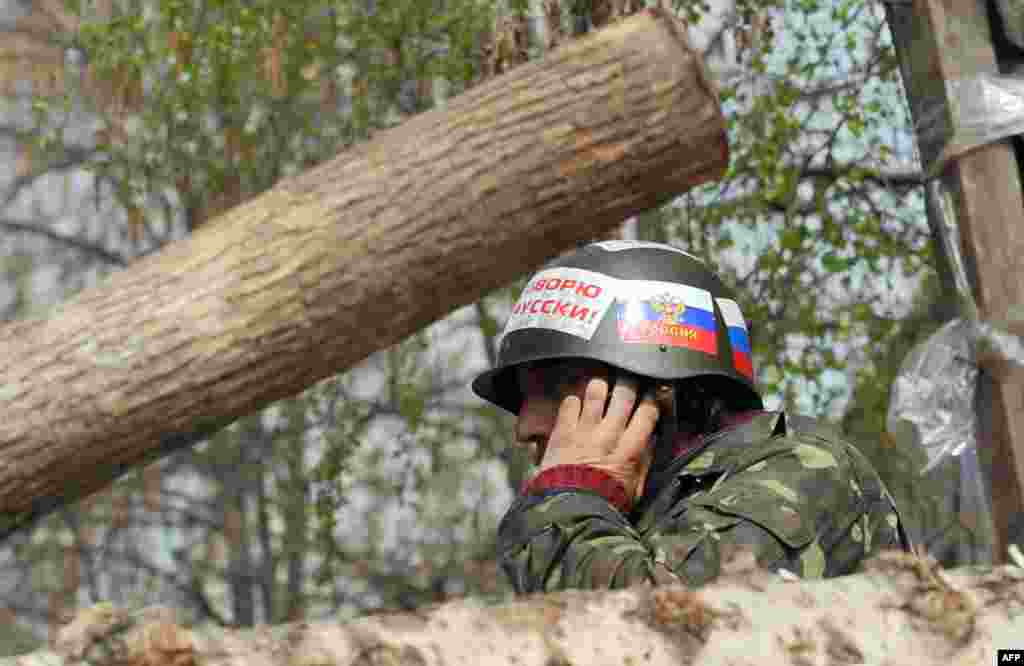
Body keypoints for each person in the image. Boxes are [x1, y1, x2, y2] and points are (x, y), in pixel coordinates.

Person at [471, 240, 913, 593]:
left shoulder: (803, 470)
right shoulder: (617, 514)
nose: (525, 426)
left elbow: (668, 634)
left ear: (660, 389)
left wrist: (564, 498)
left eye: (554, 388)